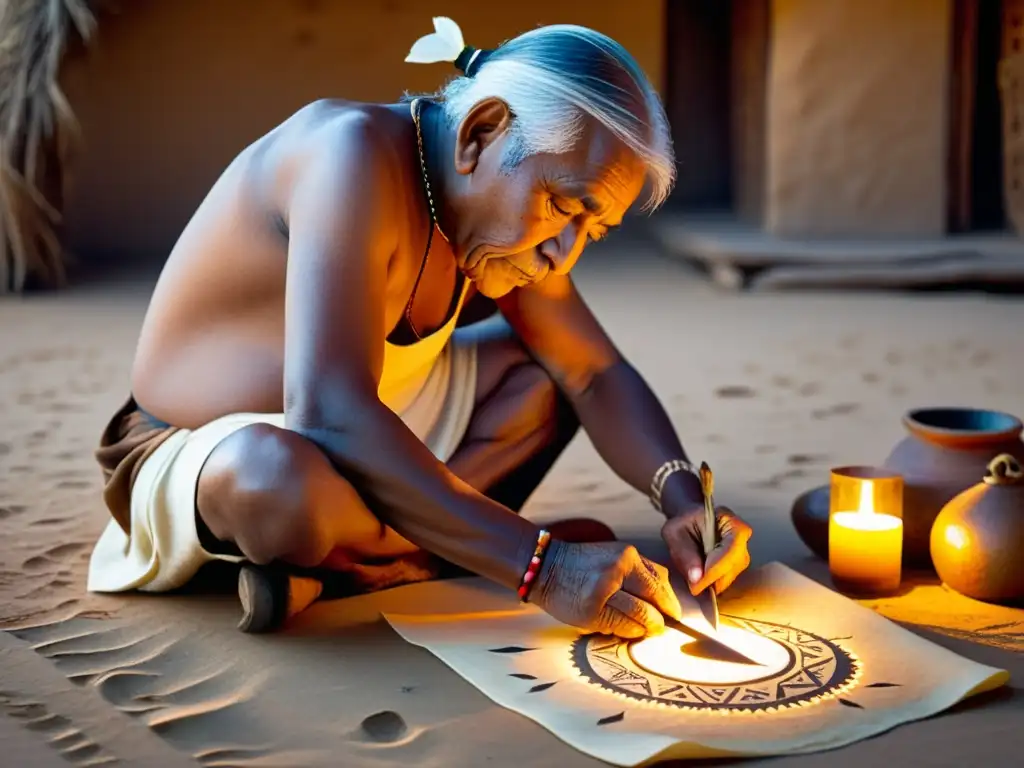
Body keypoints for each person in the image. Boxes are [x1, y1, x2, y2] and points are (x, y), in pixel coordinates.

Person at [87, 17, 753, 639]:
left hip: (375, 422)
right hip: (201, 445)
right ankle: (429, 554)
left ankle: (355, 562)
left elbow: (593, 371)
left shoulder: (504, 220)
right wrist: (542, 567)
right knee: (278, 482)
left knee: (543, 378)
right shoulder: (347, 155)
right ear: (481, 134)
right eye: (561, 207)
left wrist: (683, 500)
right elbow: (328, 412)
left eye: (593, 229)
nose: (564, 251)